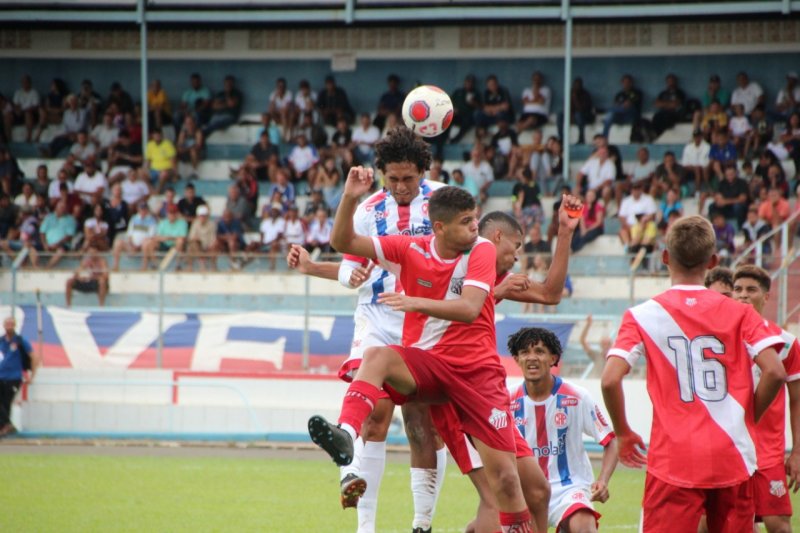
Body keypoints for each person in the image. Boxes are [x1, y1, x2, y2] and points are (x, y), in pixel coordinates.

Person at [308, 181, 537, 532]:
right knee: (377, 357)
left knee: (506, 481)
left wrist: (415, 302)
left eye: (475, 219)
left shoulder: (481, 251)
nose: (476, 227)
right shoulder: (410, 248)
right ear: (441, 227)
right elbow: (344, 242)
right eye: (467, 221)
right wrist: (350, 198)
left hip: (478, 375)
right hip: (431, 366)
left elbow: (470, 308)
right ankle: (347, 435)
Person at [287, 127, 449, 533]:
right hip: (377, 317)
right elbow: (354, 270)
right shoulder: (368, 209)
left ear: (423, 171)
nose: (399, 186)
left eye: (408, 178)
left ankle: (422, 523)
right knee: (375, 416)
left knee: (420, 425)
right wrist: (313, 267)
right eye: (391, 178)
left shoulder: (446, 202)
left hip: (428, 322)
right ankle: (365, 527)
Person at [600, 215, 786, 532]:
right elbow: (775, 372)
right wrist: (747, 414)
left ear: (664, 258)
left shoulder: (642, 315)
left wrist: (623, 432)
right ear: (713, 261)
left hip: (673, 459)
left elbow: (609, 379)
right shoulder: (741, 312)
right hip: (733, 454)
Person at [509, 327, 618, 532]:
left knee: (584, 526)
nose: (532, 358)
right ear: (516, 359)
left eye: (540, 352)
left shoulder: (576, 396)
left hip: (570, 488)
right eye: (525, 352)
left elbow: (611, 441)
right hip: (524, 490)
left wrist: (603, 481)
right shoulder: (507, 401)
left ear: (553, 358)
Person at [732, 265, 800, 533]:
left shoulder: (785, 343)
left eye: (751, 290)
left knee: (778, 524)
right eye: (737, 289)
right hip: (730, 449)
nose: (743, 296)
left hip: (767, 453)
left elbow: (797, 399)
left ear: (766, 297)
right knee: (717, 523)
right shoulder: (718, 340)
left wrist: (797, 451)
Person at [0, 316, 39, 437]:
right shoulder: (1, 341)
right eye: (7, 324)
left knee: (6, 402)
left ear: (15, 325)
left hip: (14, 377)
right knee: (3, 403)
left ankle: (6, 425)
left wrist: (32, 375)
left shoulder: (20, 341)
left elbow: (33, 357)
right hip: (1, 376)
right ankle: (6, 426)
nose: (9, 326)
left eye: (11, 324)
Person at [112, 201, 156, 271]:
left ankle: (144, 267)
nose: (143, 211)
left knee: (146, 244)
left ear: (147, 210)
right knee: (118, 243)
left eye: (144, 209)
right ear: (138, 209)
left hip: (143, 245)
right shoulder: (134, 218)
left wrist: (138, 246)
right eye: (141, 209)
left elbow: (151, 236)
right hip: (132, 245)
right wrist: (132, 244)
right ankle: (116, 266)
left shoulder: (151, 220)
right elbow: (129, 233)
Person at [602, 74, 642, 138]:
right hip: (620, 117)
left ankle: (603, 110)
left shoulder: (636, 92)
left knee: (626, 108)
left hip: (631, 117)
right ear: (622, 83)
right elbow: (616, 105)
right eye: (625, 82)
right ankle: (604, 138)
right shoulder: (619, 94)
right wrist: (620, 106)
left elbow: (628, 105)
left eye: (628, 82)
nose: (626, 84)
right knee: (610, 116)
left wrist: (621, 105)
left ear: (632, 83)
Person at [145, 128, 177, 194]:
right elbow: (148, 160)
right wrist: (146, 170)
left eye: (158, 135)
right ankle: (151, 190)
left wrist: (174, 174)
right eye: (155, 135)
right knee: (141, 173)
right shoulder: (150, 145)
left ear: (161, 135)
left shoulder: (167, 144)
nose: (157, 136)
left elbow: (173, 160)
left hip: (166, 170)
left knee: (163, 174)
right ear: (152, 136)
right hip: (153, 170)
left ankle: (157, 191)